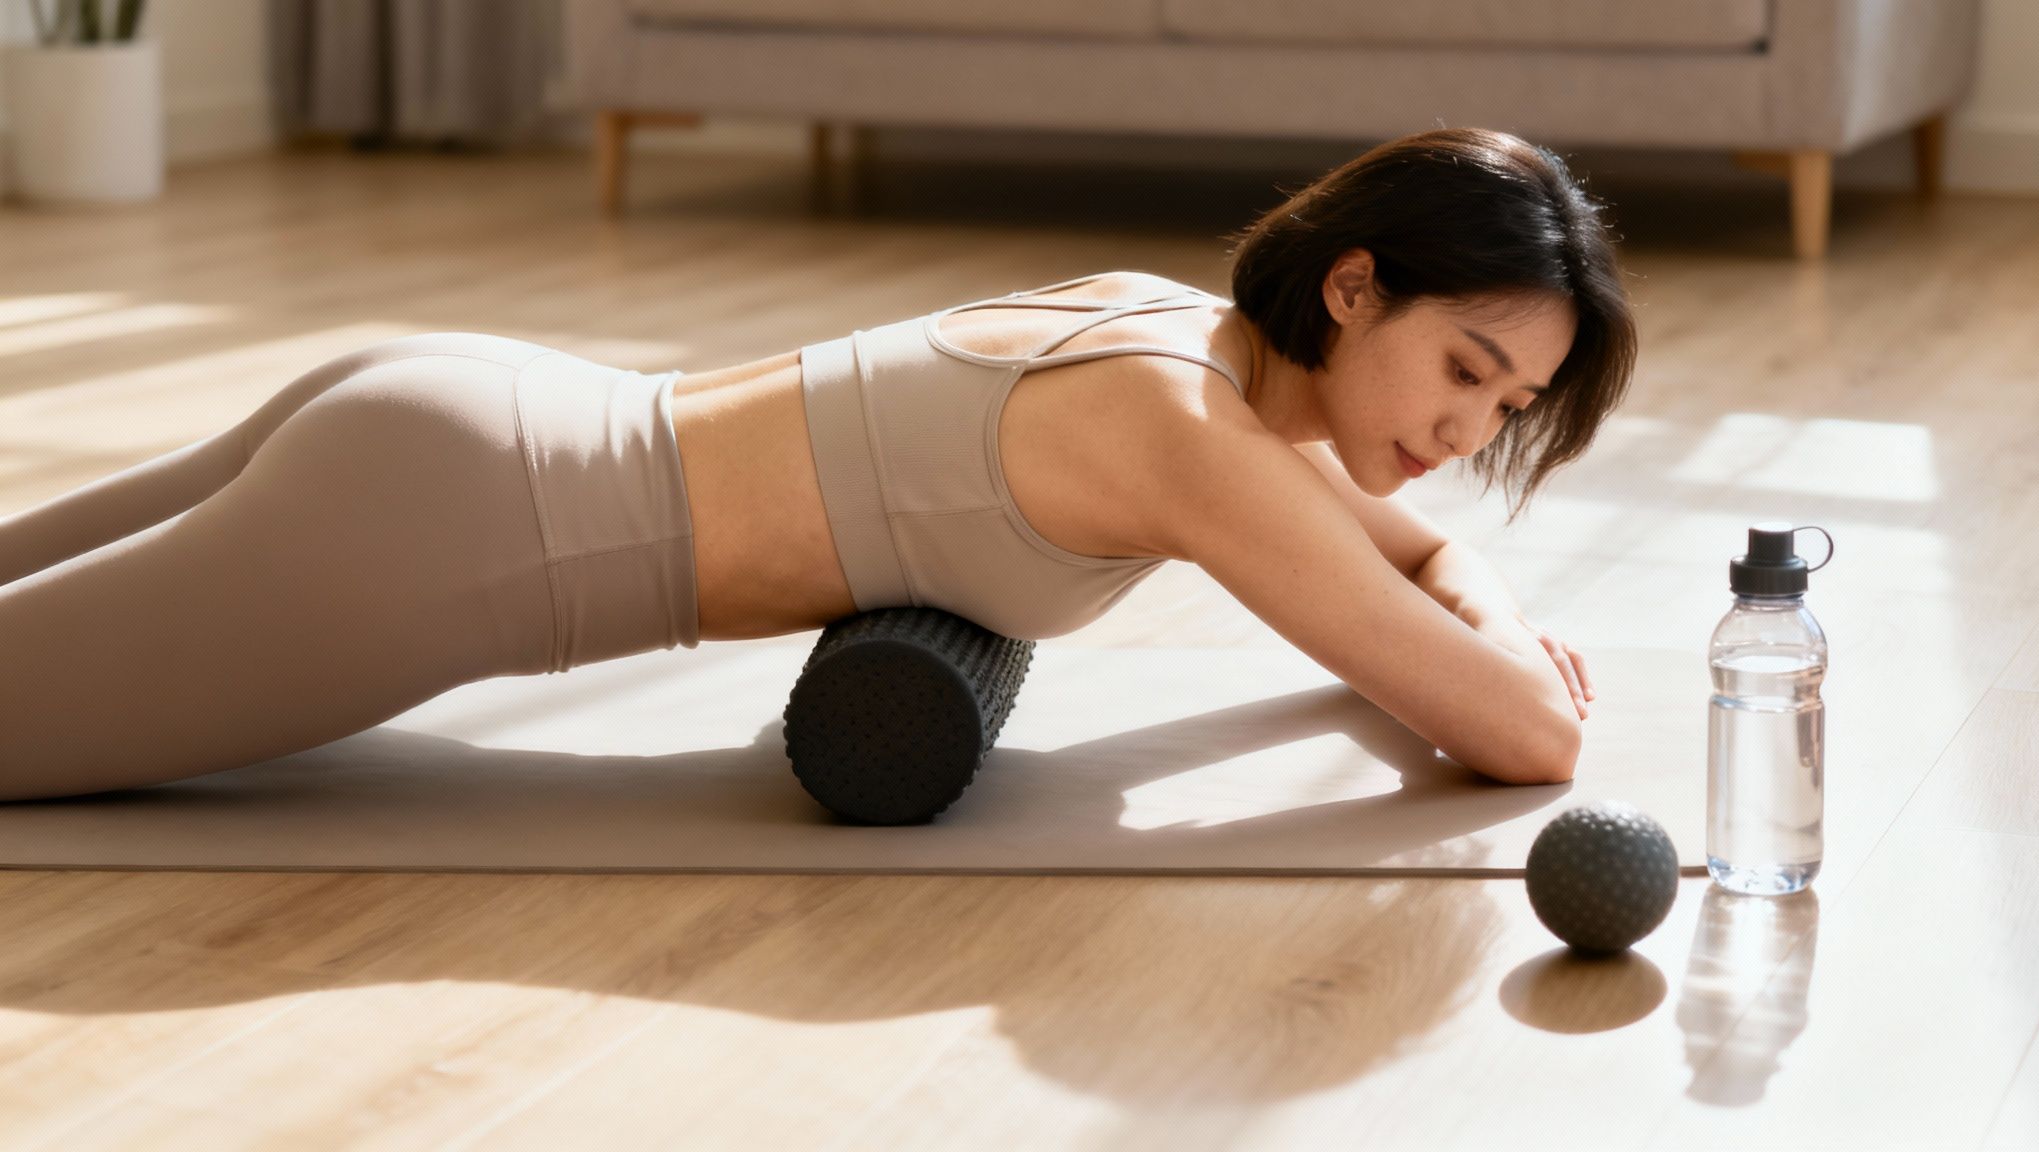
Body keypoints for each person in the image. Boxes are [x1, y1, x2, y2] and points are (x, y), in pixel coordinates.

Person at [0, 126, 1634, 801]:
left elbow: (1418, 560)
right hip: (442, 541)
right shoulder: (1194, 444)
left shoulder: (1173, 330)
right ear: (1354, 289)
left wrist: (1475, 605)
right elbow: (1527, 737)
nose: (1463, 434)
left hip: (462, 409)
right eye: (1464, 371)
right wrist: (1506, 657)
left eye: (1508, 413)